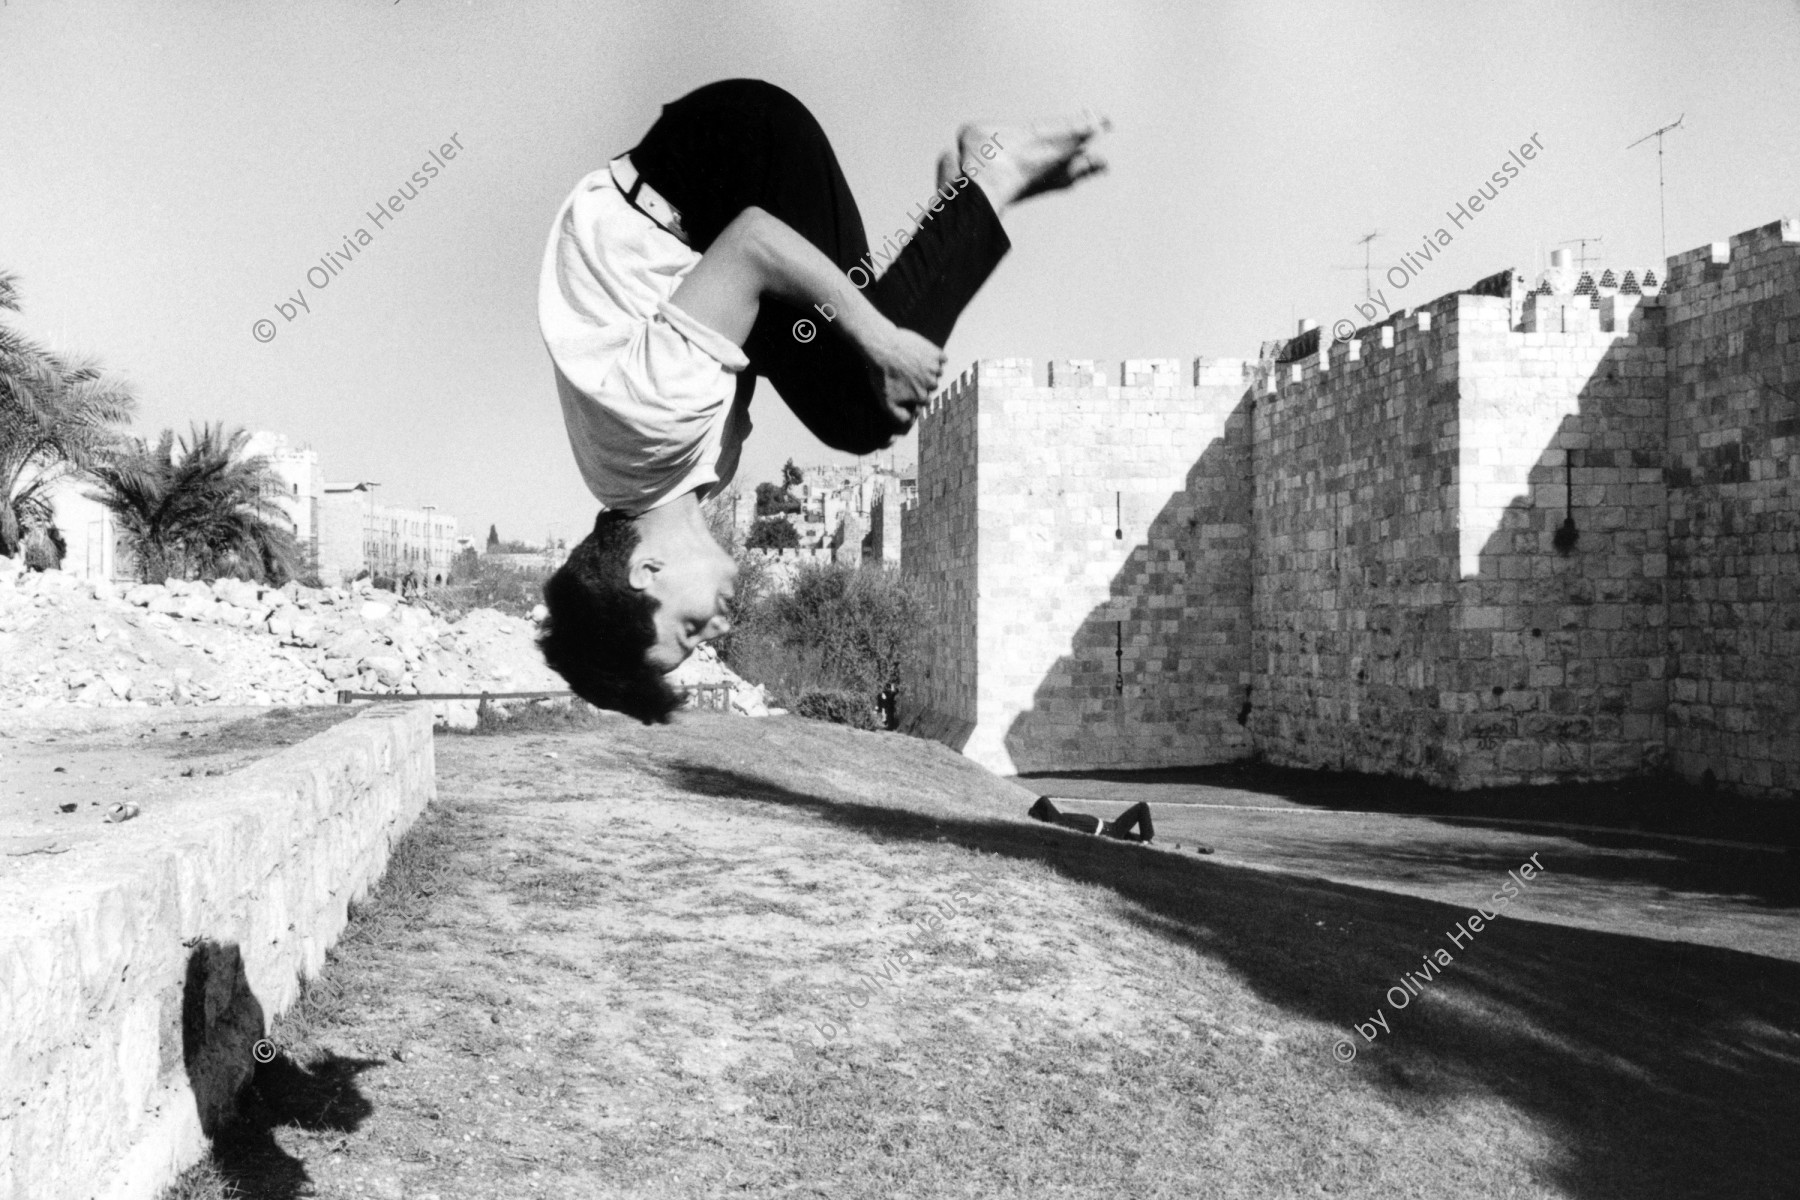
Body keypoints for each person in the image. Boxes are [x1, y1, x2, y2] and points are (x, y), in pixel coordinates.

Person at [535, 79, 1110, 721]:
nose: (715, 632)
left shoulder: (655, 423)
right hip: (702, 190)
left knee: (859, 400)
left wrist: (884, 339)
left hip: (734, 153)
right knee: (853, 399)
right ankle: (970, 198)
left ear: (647, 571)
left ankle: (988, 183)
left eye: (687, 633)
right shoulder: (671, 477)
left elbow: (754, 241)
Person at [1028, 796, 1155, 843]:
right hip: (1110, 830)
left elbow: (1043, 803)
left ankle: (1145, 840)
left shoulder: (1059, 820)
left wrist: (1034, 812)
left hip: (1108, 828)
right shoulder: (1059, 821)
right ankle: (1146, 839)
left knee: (1131, 836)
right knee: (1142, 806)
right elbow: (1043, 800)